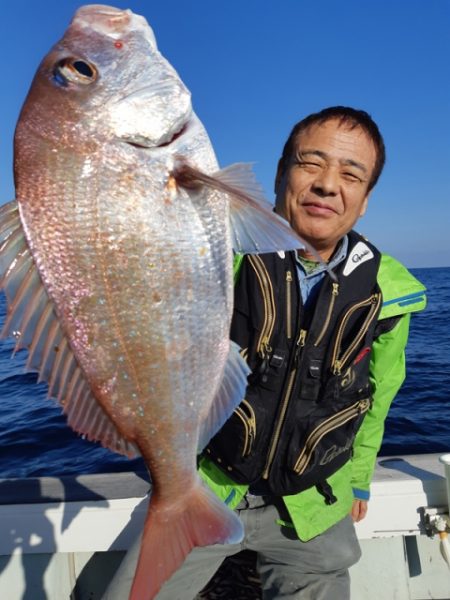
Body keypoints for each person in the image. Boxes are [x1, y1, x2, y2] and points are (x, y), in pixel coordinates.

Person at [104, 106, 426, 600]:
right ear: (279, 175)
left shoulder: (388, 292)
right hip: (209, 482)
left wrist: (359, 480)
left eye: (350, 174)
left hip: (314, 499)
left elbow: (376, 398)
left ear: (364, 201)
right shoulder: (213, 254)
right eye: (310, 163)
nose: (326, 185)